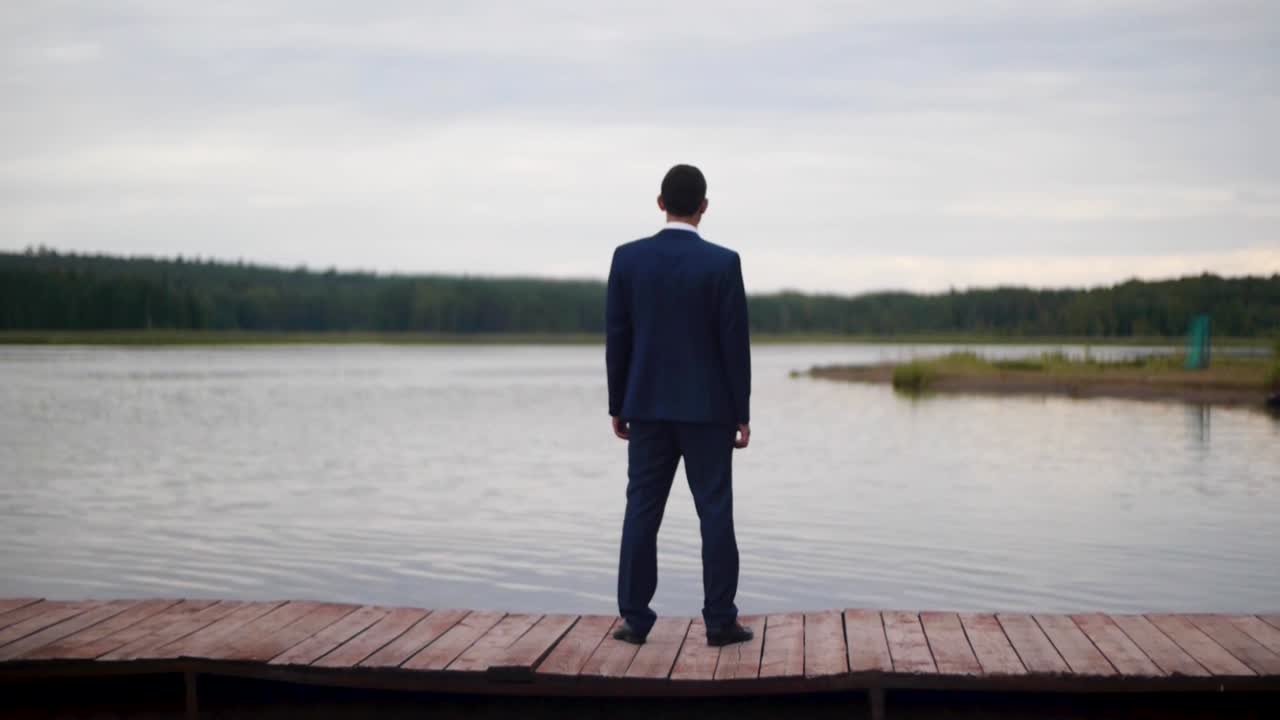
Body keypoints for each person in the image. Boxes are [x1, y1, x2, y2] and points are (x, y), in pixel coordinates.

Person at [605, 164, 753, 647]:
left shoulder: (627, 260)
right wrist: (742, 413)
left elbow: (618, 338)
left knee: (641, 510)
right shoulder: (723, 263)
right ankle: (719, 621)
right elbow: (735, 345)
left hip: (645, 405)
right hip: (709, 411)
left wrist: (618, 403)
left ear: (660, 202)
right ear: (704, 206)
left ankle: (633, 620)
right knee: (714, 511)